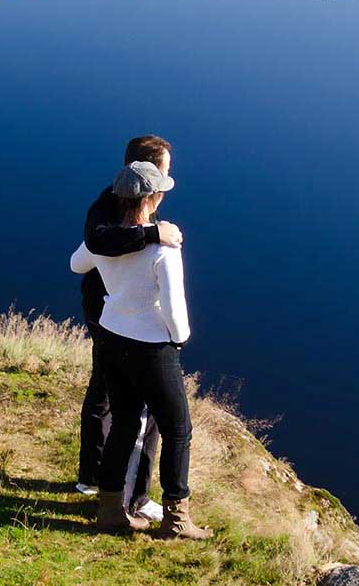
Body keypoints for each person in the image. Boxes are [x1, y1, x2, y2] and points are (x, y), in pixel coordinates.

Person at [71, 159, 211, 540]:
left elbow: (77, 263)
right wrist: (179, 338)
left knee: (124, 423)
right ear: (152, 198)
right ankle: (176, 519)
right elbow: (174, 308)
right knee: (178, 430)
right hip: (152, 348)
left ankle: (111, 511)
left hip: (111, 335)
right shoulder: (164, 248)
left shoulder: (104, 239)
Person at [76, 135, 182, 525]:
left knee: (111, 399)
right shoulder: (109, 205)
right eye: (166, 171)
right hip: (115, 317)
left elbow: (81, 257)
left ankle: (103, 483)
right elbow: (96, 240)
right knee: (138, 413)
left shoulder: (118, 200)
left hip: (110, 314)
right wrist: (153, 235)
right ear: (150, 174)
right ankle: (118, 490)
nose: (171, 179)